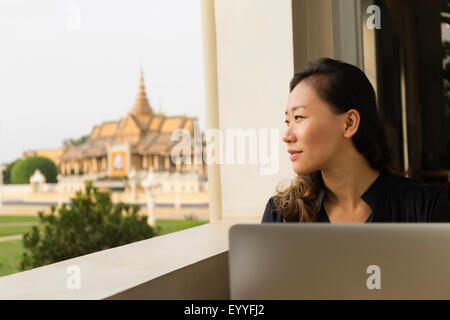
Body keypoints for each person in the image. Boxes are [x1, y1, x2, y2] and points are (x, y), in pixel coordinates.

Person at [262, 57, 450, 223]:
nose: (287, 137)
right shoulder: (282, 215)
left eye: (299, 117)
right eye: (288, 121)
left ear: (349, 123)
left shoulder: (424, 207)